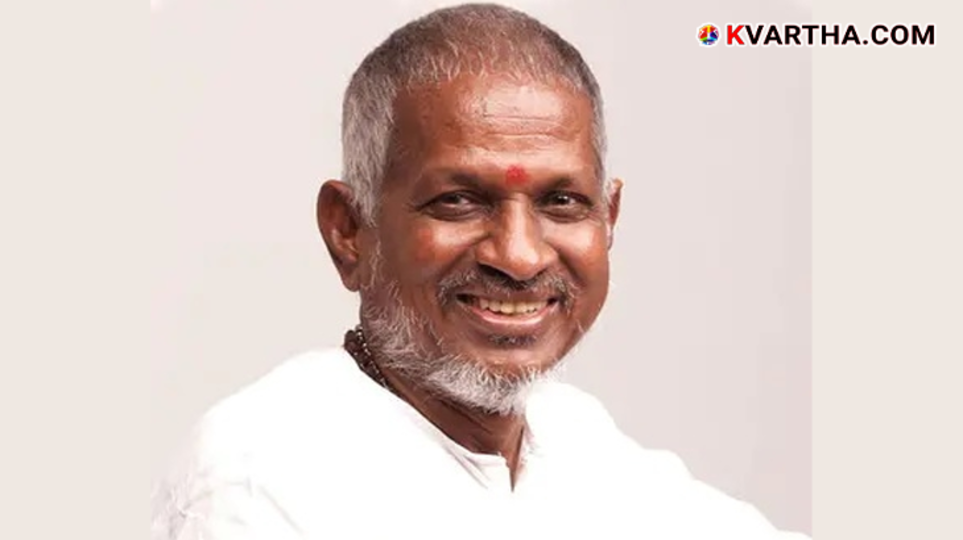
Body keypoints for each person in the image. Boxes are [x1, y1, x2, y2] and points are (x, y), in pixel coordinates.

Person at [151, 3, 809, 539]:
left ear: (608, 219)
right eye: (458, 202)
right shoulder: (267, 471)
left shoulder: (576, 441)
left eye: (561, 202)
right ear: (349, 231)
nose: (519, 256)